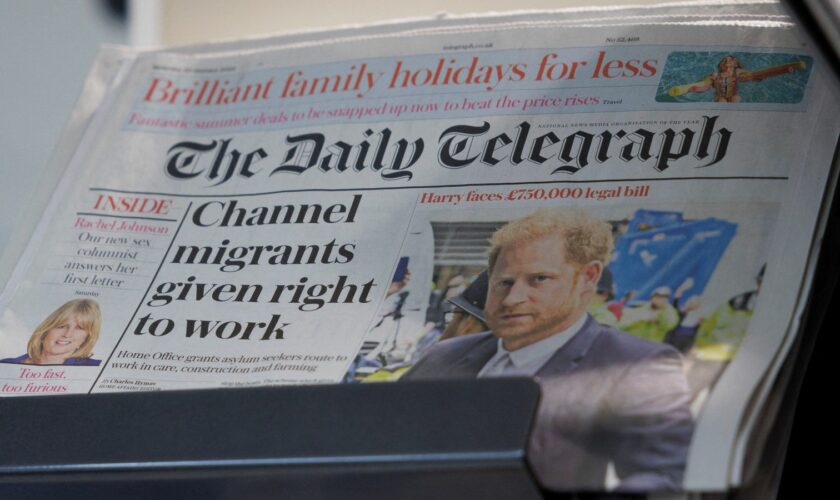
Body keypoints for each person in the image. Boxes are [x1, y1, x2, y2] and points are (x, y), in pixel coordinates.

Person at [402, 208, 693, 492]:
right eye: (504, 282)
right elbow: (385, 438)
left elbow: (664, 476)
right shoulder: (444, 356)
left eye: (538, 279)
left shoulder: (634, 364)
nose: (512, 298)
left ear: (588, 278)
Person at [1, 299, 102, 366]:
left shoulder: (95, 368)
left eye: (79, 328)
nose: (67, 334)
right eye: (61, 326)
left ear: (86, 338)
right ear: (47, 329)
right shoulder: (5, 365)